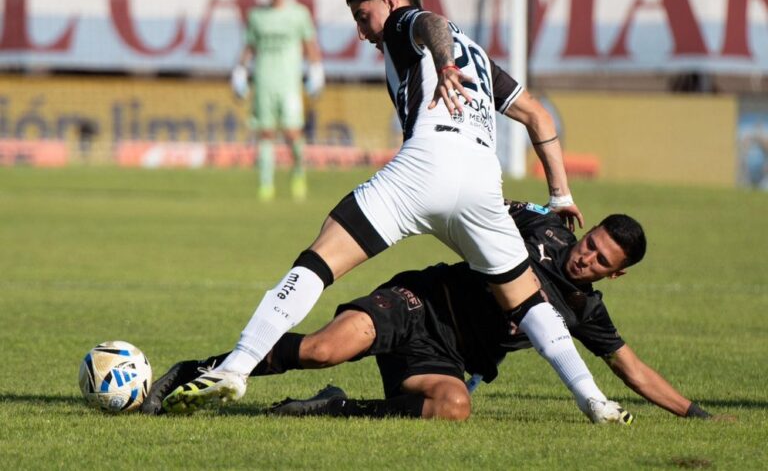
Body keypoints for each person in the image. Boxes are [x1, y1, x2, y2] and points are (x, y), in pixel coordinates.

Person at [163, 0, 620, 422]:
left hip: (426, 167)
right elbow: (538, 116)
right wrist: (560, 195)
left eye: (363, 17)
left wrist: (441, 62)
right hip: (482, 182)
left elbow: (430, 22)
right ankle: (592, 399)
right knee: (529, 303)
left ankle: (237, 367)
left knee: (319, 262)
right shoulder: (478, 53)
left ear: (388, 1)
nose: (363, 32)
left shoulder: (405, 21)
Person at [144, 202, 711, 422]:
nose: (585, 257)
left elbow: (631, 370)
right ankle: (199, 371)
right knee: (321, 349)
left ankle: (334, 410)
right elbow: (480, 201)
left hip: (445, 357)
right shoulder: (541, 229)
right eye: (590, 243)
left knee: (454, 406)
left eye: (600, 260)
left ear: (617, 273)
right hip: (416, 303)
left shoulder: (588, 312)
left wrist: (695, 414)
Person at [230, 0, 325, 201]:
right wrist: (240, 71)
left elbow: (309, 43)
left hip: (289, 83)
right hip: (264, 81)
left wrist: (316, 69)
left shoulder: (298, 14)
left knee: (293, 132)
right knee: (265, 133)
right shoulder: (257, 16)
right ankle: (266, 184)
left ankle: (299, 173)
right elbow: (250, 46)